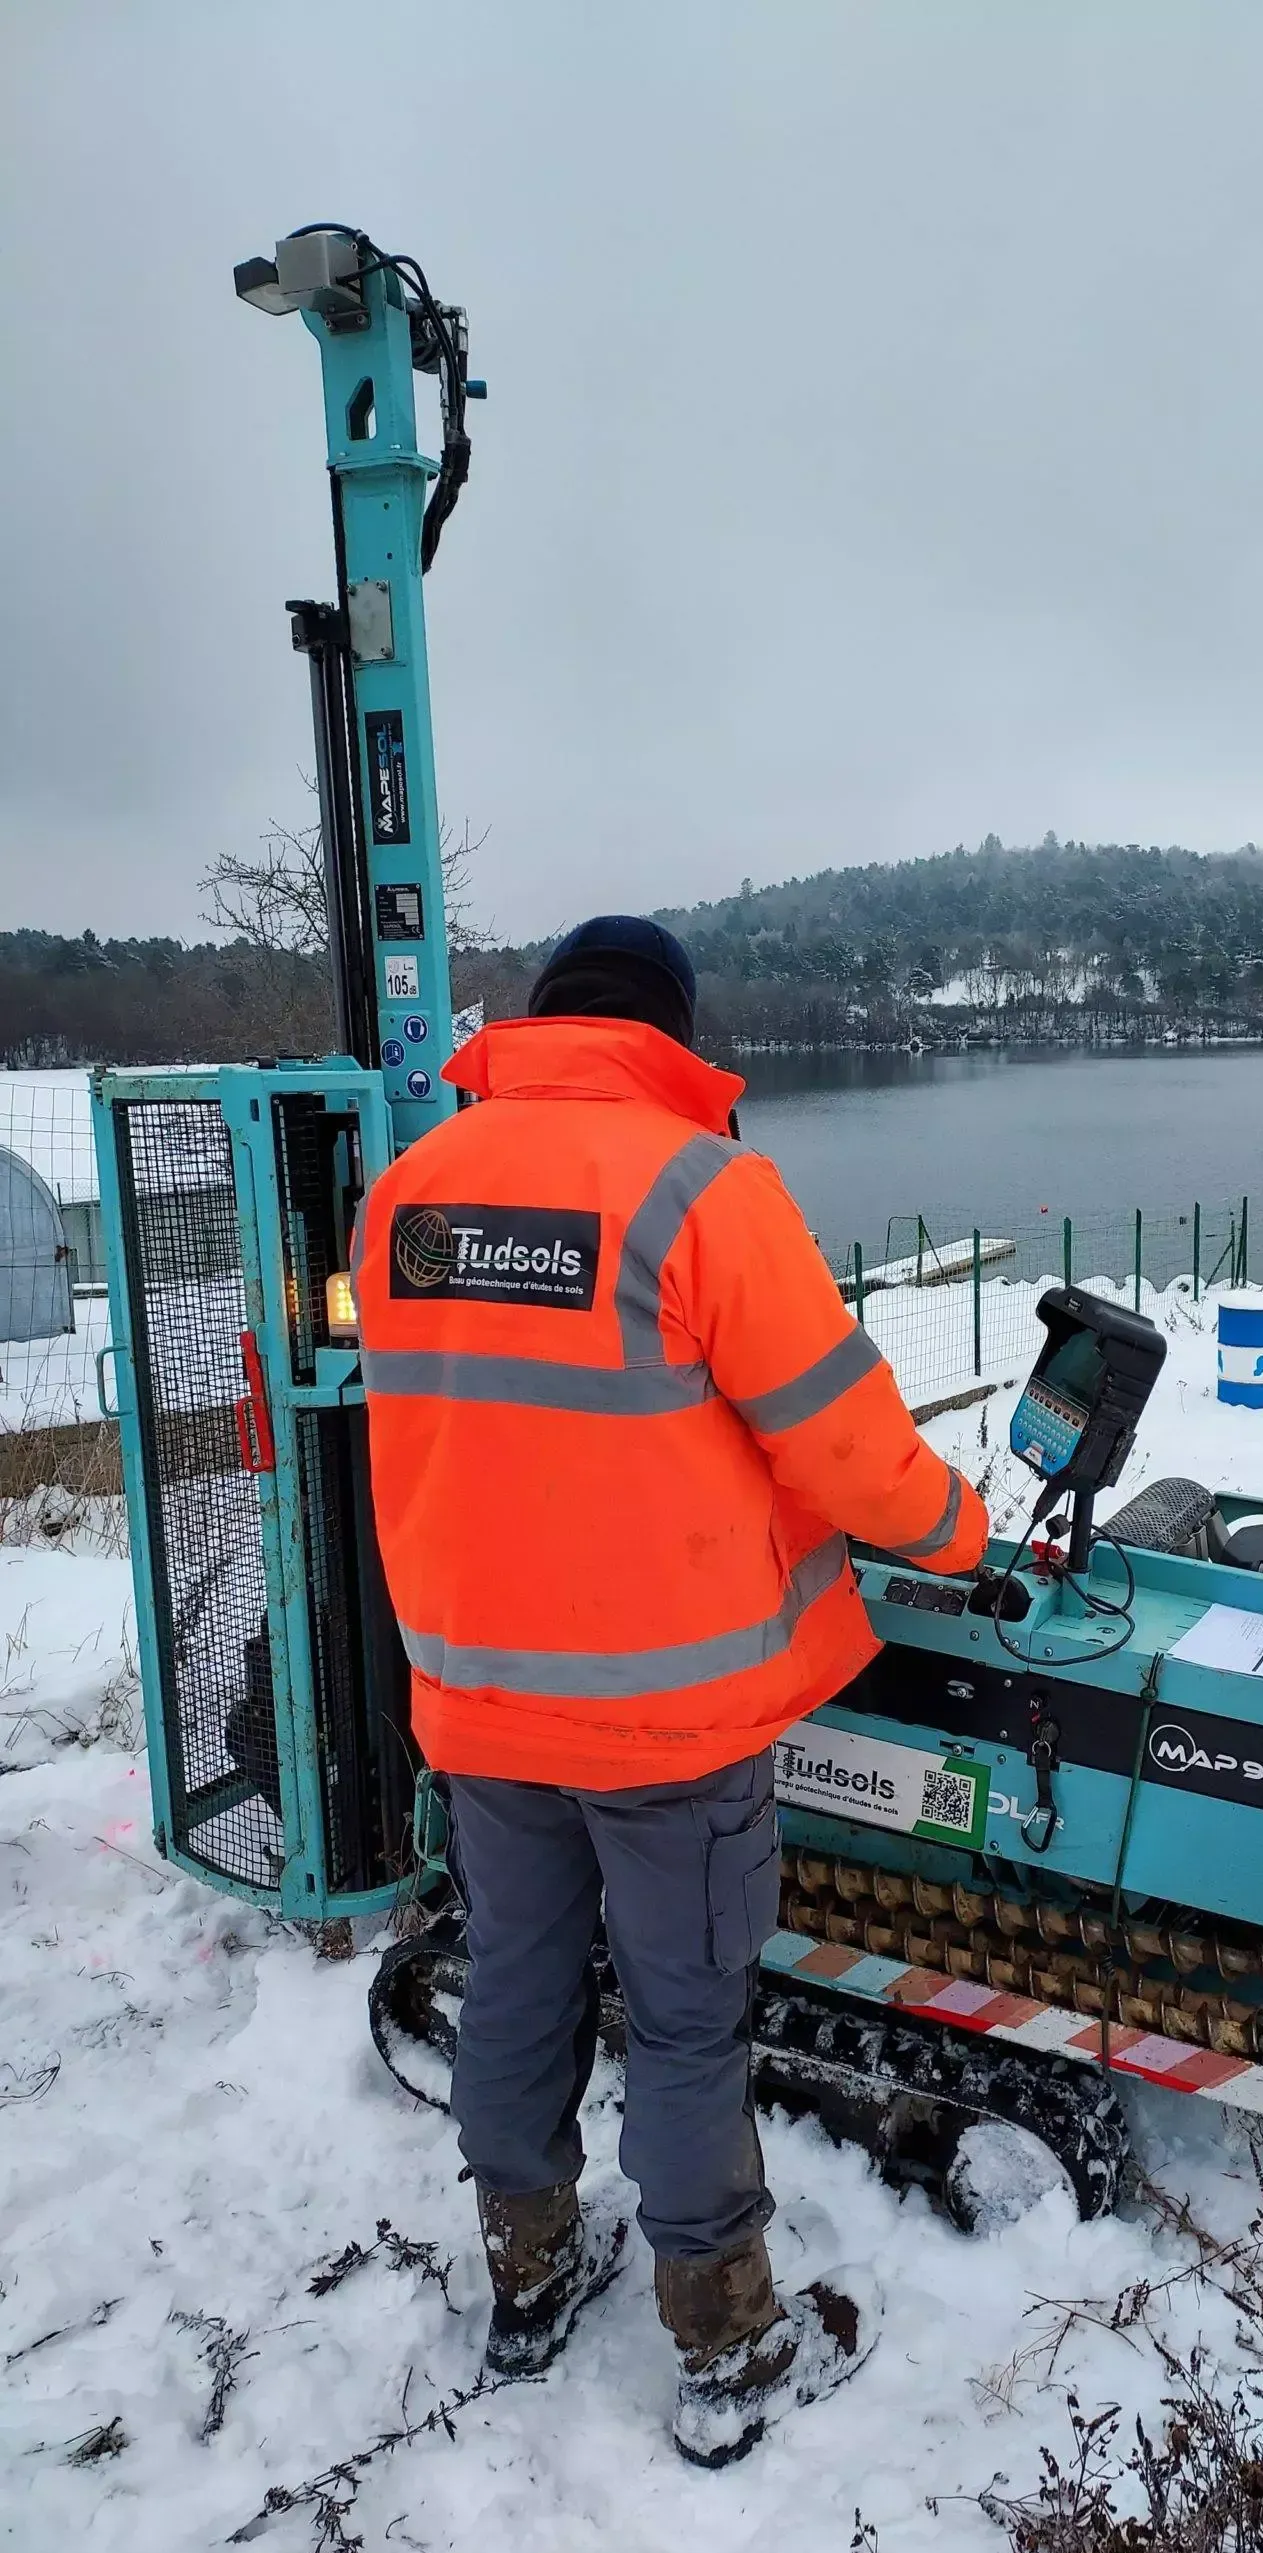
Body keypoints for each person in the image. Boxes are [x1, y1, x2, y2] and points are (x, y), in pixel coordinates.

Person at [353, 914, 988, 2465]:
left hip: (479, 1705)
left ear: (544, 1024)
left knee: (513, 1976)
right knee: (689, 2022)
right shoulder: (703, 1192)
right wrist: (959, 1534)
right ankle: (728, 2341)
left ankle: (529, 2275)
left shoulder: (407, 1196)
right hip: (666, 1725)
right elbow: (840, 1441)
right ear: (672, 1036)